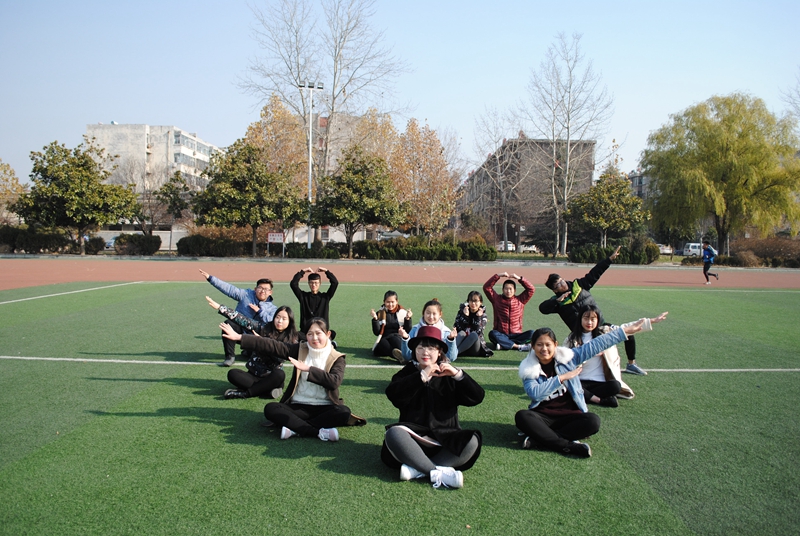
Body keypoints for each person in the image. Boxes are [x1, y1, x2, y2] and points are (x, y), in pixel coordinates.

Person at [515, 312, 668, 458]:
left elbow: (598, 344)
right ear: (533, 347)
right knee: (522, 416)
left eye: (548, 344)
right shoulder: (529, 368)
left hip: (569, 415)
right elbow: (535, 393)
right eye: (539, 345)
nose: (544, 349)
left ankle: (540, 439)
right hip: (543, 416)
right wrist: (561, 378)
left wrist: (625, 331)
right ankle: (566, 445)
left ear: (555, 345)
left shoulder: (569, 358)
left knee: (593, 421)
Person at [382, 325, 485, 489]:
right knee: (394, 433)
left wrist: (458, 375)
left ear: (439, 352)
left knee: (472, 441)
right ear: (414, 351)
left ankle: (418, 469)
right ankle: (435, 472)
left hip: (445, 439)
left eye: (431, 348)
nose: (425, 352)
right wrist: (421, 376)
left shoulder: (449, 375)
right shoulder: (408, 372)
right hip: (414, 439)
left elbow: (477, 397)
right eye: (420, 348)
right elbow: (393, 395)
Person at [221, 317, 352, 442]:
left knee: (344, 412)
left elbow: (334, 382)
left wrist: (308, 369)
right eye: (310, 334)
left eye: (318, 333)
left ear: (328, 334)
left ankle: (295, 428)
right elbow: (273, 345)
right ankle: (315, 432)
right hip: (299, 406)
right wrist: (240, 337)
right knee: (271, 408)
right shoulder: (300, 349)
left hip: (325, 407)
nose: (314, 338)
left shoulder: (337, 357)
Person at [538, 246, 647, 376]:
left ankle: (631, 364)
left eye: (562, 280)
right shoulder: (558, 303)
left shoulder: (579, 285)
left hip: (600, 327)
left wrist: (609, 260)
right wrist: (557, 301)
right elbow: (542, 309)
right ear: (555, 290)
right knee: (581, 361)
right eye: (558, 285)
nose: (563, 284)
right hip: (581, 336)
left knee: (628, 333)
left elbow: (595, 272)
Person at [207, 297, 299, 400]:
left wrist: (261, 342)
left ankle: (246, 393)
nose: (280, 321)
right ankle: (266, 390)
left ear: (290, 321)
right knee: (232, 374)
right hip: (253, 375)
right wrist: (221, 308)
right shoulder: (263, 328)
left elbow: (279, 358)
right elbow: (243, 320)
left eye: (284, 319)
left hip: (271, 377)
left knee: (280, 374)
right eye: (277, 317)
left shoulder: (292, 340)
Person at [199, 268, 277, 367]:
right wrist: (210, 278)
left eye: (266, 289)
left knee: (257, 356)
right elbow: (229, 289)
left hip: (256, 336)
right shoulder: (246, 295)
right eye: (260, 288)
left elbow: (270, 322)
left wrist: (260, 311)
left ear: (270, 292)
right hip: (239, 330)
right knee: (228, 324)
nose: (262, 291)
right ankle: (230, 357)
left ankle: (248, 350)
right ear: (255, 289)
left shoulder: (272, 308)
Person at [564, 305, 636, 407]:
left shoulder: (605, 334)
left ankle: (583, 396)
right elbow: (565, 363)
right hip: (580, 381)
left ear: (598, 320)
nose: (589, 322)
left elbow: (624, 329)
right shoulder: (572, 339)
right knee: (566, 386)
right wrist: (589, 354)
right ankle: (599, 400)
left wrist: (648, 322)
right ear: (580, 319)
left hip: (600, 382)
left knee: (615, 386)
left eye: (593, 319)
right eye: (586, 318)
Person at [483, 272, 535, 352]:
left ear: (515, 290)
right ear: (502, 290)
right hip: (501, 334)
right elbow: (487, 287)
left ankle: (504, 345)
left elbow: (531, 289)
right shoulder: (496, 300)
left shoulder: (520, 300)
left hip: (517, 334)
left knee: (533, 333)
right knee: (492, 334)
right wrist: (498, 276)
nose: (508, 291)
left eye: (510, 289)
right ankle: (518, 346)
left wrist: (519, 278)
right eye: (506, 289)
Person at [395, 299, 458, 363]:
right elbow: (407, 356)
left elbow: (450, 358)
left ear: (440, 314)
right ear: (423, 313)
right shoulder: (415, 329)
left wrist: (451, 340)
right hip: (419, 366)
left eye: (434, 314)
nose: (431, 316)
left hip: (437, 367)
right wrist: (405, 338)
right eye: (428, 313)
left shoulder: (445, 332)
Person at [291, 267, 338, 340]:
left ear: (320, 283)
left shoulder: (325, 297)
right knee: (295, 335)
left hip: (321, 330)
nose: (314, 285)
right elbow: (293, 284)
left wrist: (326, 271)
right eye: (311, 283)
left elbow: (335, 283)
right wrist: (302, 272)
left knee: (332, 333)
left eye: (316, 283)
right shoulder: (303, 297)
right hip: (306, 331)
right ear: (308, 283)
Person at [370, 290, 413, 360]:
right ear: (384, 302)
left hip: (397, 336)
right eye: (388, 302)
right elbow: (377, 332)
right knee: (382, 343)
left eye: (392, 302)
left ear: (397, 301)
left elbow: (407, 330)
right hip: (385, 338)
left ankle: (399, 355)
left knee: (395, 340)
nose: (390, 304)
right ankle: (400, 357)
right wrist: (375, 319)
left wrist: (408, 319)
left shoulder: (402, 312)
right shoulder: (380, 313)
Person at [453, 291, 493, 357]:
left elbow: (478, 332)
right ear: (468, 301)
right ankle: (451, 351)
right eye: (471, 301)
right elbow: (457, 328)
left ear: (480, 302)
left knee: (474, 334)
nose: (473, 303)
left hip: (474, 348)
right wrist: (465, 316)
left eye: (476, 301)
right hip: (462, 343)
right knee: (462, 333)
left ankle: (454, 353)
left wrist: (478, 317)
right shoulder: (462, 312)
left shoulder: (483, 316)